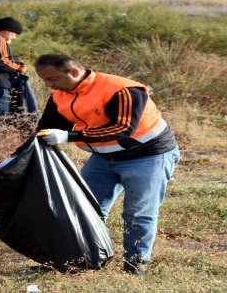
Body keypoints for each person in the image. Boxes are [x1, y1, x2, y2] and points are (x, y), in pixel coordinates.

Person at [33, 53, 180, 275]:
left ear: (73, 72)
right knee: (84, 208)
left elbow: (122, 129)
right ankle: (80, 261)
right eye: (44, 80)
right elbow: (45, 129)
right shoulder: (60, 96)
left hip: (148, 156)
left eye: (52, 79)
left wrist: (68, 137)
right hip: (104, 158)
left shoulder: (121, 89)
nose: (49, 85)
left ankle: (135, 264)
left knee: (138, 213)